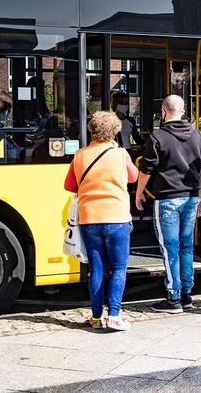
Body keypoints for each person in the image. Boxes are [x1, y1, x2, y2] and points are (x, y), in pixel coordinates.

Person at [64, 111, 139, 330]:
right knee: (118, 268)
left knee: (96, 268)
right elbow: (133, 177)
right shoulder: (121, 154)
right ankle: (114, 315)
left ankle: (96, 317)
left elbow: (69, 186)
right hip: (117, 218)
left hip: (89, 219)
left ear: (93, 130)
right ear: (115, 131)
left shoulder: (80, 155)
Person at [135, 95, 201, 314]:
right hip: (191, 198)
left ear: (163, 112)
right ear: (183, 111)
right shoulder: (198, 136)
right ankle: (187, 295)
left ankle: (173, 297)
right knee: (186, 247)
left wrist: (138, 193)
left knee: (170, 249)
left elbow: (146, 170)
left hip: (167, 200)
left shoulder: (158, 137)